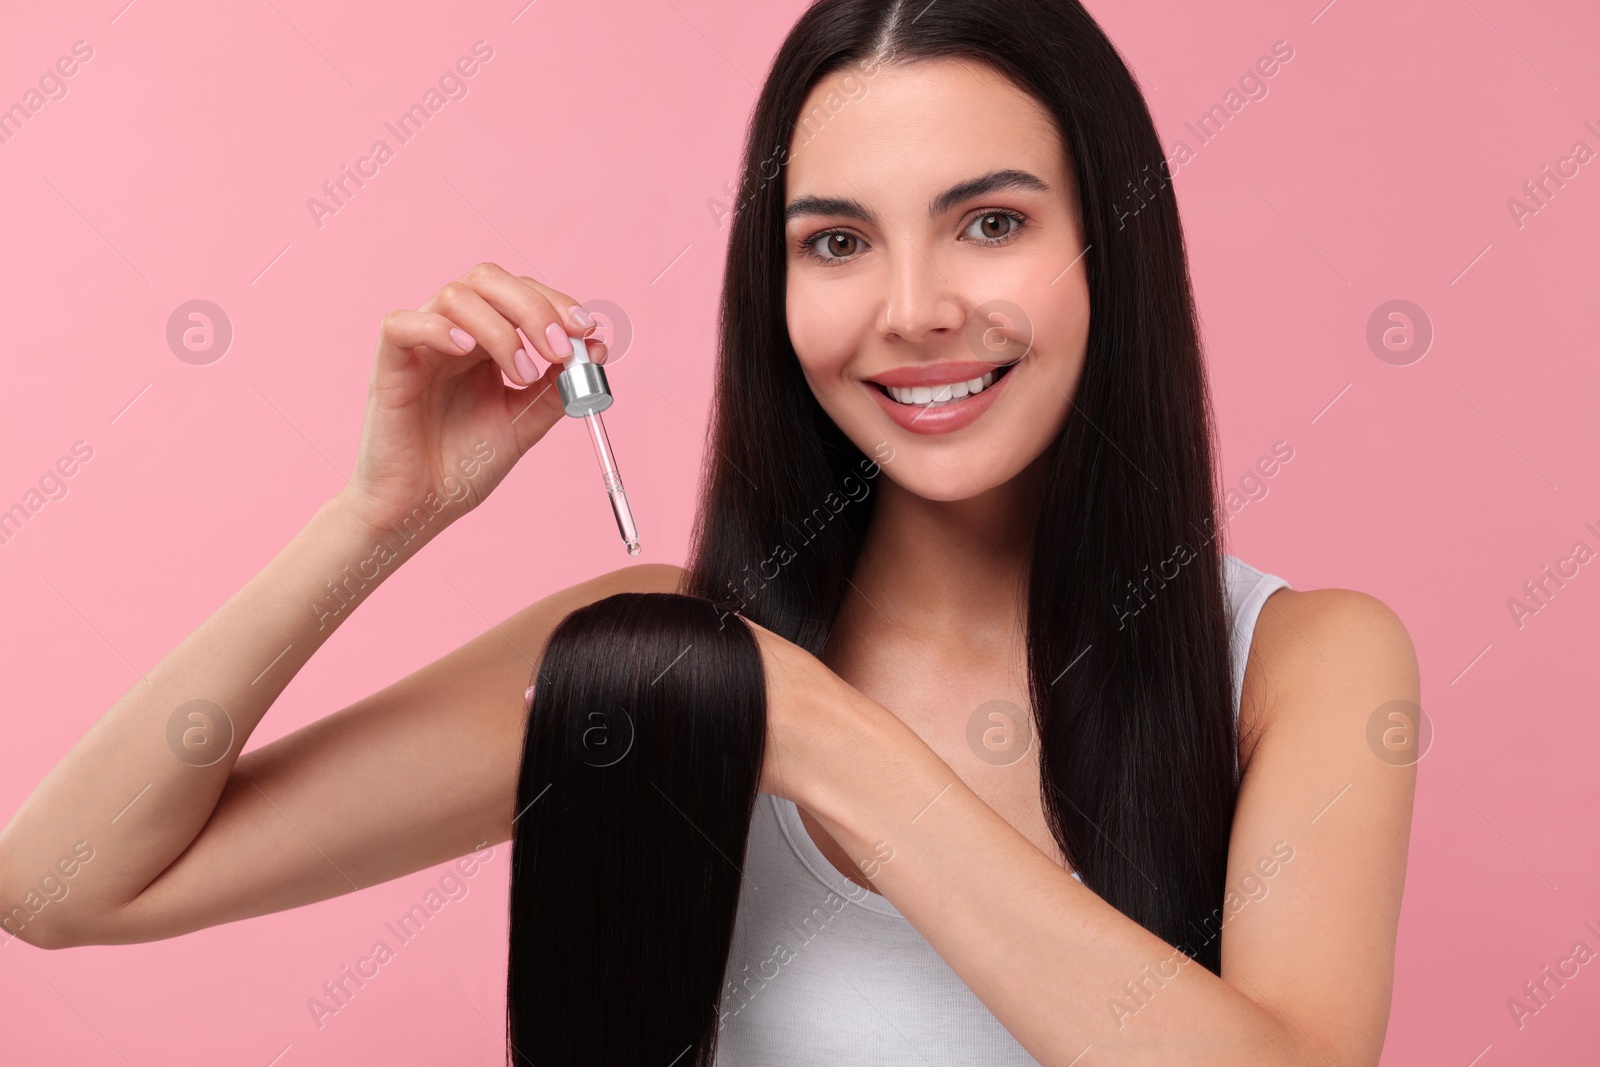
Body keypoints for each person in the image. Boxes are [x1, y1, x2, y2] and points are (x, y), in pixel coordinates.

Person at [0, 0, 1418, 1063]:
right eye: (837, 241)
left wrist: (815, 735)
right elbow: (63, 885)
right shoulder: (645, 661)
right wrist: (379, 519)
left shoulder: (1306, 662)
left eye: (989, 224)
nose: (912, 308)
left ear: (1113, 249)